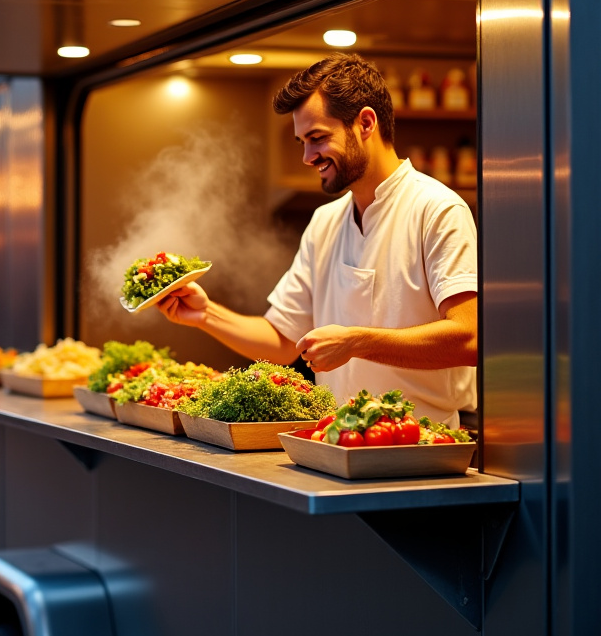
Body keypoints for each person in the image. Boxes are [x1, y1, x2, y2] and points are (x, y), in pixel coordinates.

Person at [156, 53, 478, 425]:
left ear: (366, 123)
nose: (308, 157)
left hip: (422, 445)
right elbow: (281, 341)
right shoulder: (325, 221)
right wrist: (205, 314)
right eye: (302, 142)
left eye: (318, 138)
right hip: (335, 439)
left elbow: (469, 337)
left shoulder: (436, 209)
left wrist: (356, 342)